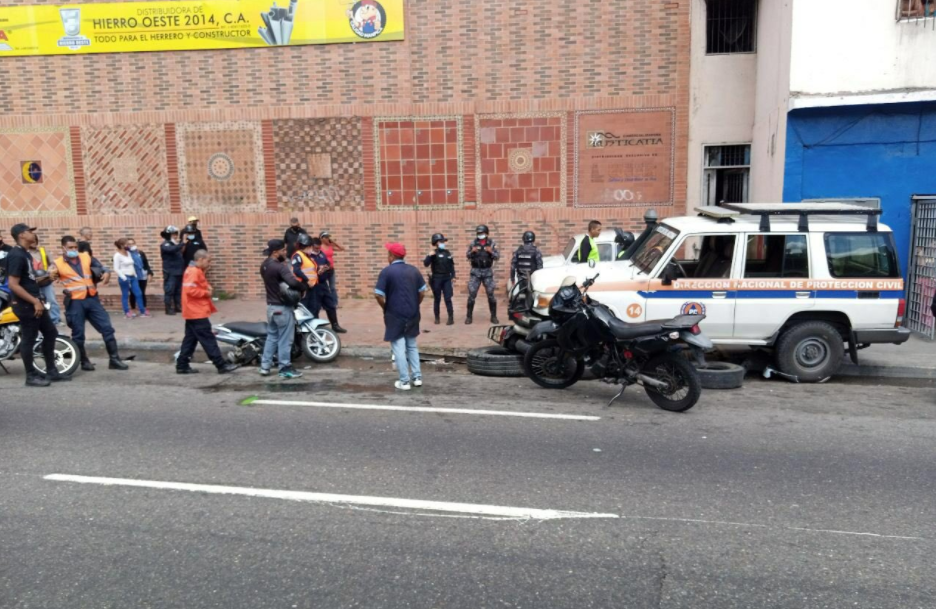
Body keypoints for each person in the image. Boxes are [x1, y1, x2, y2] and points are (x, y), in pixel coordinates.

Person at [50, 235, 129, 372]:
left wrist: (106, 273)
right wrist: (50, 275)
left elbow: (101, 267)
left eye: (75, 247)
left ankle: (114, 359)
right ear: (63, 248)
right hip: (75, 302)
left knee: (107, 329)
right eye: (70, 248)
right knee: (78, 334)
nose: (73, 249)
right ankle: (84, 361)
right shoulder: (57, 263)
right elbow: (49, 275)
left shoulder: (86, 257)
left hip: (92, 299)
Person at [6, 224, 70, 387]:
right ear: (21, 235)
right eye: (29, 232)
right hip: (26, 305)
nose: (33, 234)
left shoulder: (25, 254)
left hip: (35, 302)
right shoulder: (16, 255)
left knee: (50, 332)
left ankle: (52, 371)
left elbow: (28, 280)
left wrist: (45, 281)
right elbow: (13, 284)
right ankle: (31, 376)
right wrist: (34, 301)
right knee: (29, 338)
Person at [176, 250, 239, 375]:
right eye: (208, 260)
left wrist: (206, 287)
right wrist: (206, 293)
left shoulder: (193, 270)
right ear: (200, 259)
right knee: (208, 338)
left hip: (192, 311)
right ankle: (220, 364)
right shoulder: (194, 271)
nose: (209, 263)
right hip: (196, 311)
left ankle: (182, 364)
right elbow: (191, 291)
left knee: (190, 339)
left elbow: (193, 287)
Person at [375, 242, 427, 391]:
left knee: (398, 347)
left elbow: (378, 294)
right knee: (411, 345)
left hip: (395, 314)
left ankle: (404, 381)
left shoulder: (387, 272)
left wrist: (385, 307)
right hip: (413, 313)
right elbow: (422, 291)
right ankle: (417, 377)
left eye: (388, 254)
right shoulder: (414, 271)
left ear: (391, 256)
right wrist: (416, 304)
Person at [259, 238, 304, 379]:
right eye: (283, 250)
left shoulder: (264, 265)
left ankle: (265, 366)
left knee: (272, 337)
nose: (285, 252)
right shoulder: (279, 266)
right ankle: (285, 368)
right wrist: (304, 286)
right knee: (285, 339)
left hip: (271, 308)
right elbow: (292, 282)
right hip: (282, 308)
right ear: (275, 252)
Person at [308, 236, 347, 333]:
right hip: (314, 285)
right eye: (316, 248)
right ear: (311, 246)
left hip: (323, 284)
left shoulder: (321, 254)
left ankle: (335, 325)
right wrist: (317, 270)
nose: (317, 250)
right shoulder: (308, 256)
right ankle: (315, 328)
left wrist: (326, 267)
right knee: (315, 307)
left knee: (330, 304)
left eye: (319, 248)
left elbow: (328, 263)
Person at [465, 224, 500, 325]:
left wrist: (491, 252)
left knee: (491, 295)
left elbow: (497, 256)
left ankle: (493, 316)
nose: (480, 235)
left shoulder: (492, 243)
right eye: (479, 233)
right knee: (472, 294)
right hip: (475, 272)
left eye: (482, 233)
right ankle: (469, 317)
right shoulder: (473, 243)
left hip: (487, 272)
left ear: (486, 233)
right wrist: (472, 251)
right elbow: (467, 255)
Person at [423, 233, 456, 325]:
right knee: (437, 299)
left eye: (443, 241)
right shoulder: (433, 253)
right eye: (441, 241)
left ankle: (451, 318)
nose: (443, 243)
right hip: (436, 278)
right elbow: (426, 264)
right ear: (436, 243)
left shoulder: (447, 253)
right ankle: (437, 318)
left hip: (446, 278)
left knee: (448, 298)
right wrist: (429, 256)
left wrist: (453, 276)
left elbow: (451, 266)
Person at [29, 235, 61, 325]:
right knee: (35, 301)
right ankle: (37, 320)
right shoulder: (25, 253)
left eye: (35, 240)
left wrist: (51, 269)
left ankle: (55, 319)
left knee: (51, 300)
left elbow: (52, 263)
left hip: (46, 281)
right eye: (32, 240)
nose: (34, 242)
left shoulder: (43, 251)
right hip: (33, 282)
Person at [113, 238, 149, 319]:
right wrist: (123, 277)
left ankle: (142, 311)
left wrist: (135, 275)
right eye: (126, 244)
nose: (128, 246)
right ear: (122, 245)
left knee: (138, 293)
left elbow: (132, 264)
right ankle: (127, 312)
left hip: (133, 276)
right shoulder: (117, 255)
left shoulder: (128, 253)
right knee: (125, 294)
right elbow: (116, 268)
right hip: (124, 277)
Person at [290, 233, 319, 310]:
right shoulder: (298, 255)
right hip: (304, 285)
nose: (311, 248)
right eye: (310, 246)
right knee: (305, 307)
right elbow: (296, 270)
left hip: (311, 286)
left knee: (313, 307)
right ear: (307, 246)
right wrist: (307, 280)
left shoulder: (306, 256)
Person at [160, 226, 184, 315]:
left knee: (178, 291)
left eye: (176, 234)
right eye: (173, 234)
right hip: (170, 272)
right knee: (169, 290)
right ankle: (168, 309)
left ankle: (178, 307)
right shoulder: (166, 244)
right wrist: (182, 243)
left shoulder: (175, 244)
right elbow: (171, 250)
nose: (175, 236)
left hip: (178, 271)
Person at [319, 230, 344, 308]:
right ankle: (323, 303)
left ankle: (334, 303)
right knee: (323, 287)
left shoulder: (330, 246)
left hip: (331, 269)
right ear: (321, 238)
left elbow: (342, 249)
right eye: (326, 237)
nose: (327, 239)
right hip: (323, 270)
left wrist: (333, 242)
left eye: (328, 237)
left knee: (332, 287)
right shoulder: (319, 247)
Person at [126, 238, 153, 312]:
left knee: (142, 292)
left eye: (132, 243)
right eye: (129, 244)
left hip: (142, 275)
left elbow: (146, 263)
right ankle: (133, 308)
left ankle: (144, 308)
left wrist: (150, 273)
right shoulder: (126, 254)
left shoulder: (140, 253)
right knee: (133, 292)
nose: (131, 245)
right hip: (132, 275)